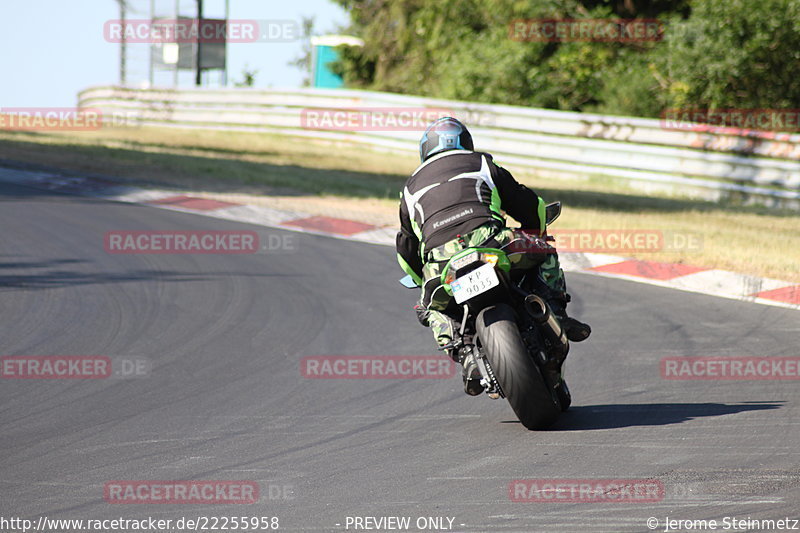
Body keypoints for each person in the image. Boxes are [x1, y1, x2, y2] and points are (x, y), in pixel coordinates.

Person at [396, 117, 591, 395]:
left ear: (425, 150)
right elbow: (529, 204)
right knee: (544, 247)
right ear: (466, 141)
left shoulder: (409, 189)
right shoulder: (481, 164)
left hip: (442, 264)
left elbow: (406, 250)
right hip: (491, 243)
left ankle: (463, 352)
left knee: (432, 307)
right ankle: (557, 312)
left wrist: (420, 279)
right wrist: (535, 230)